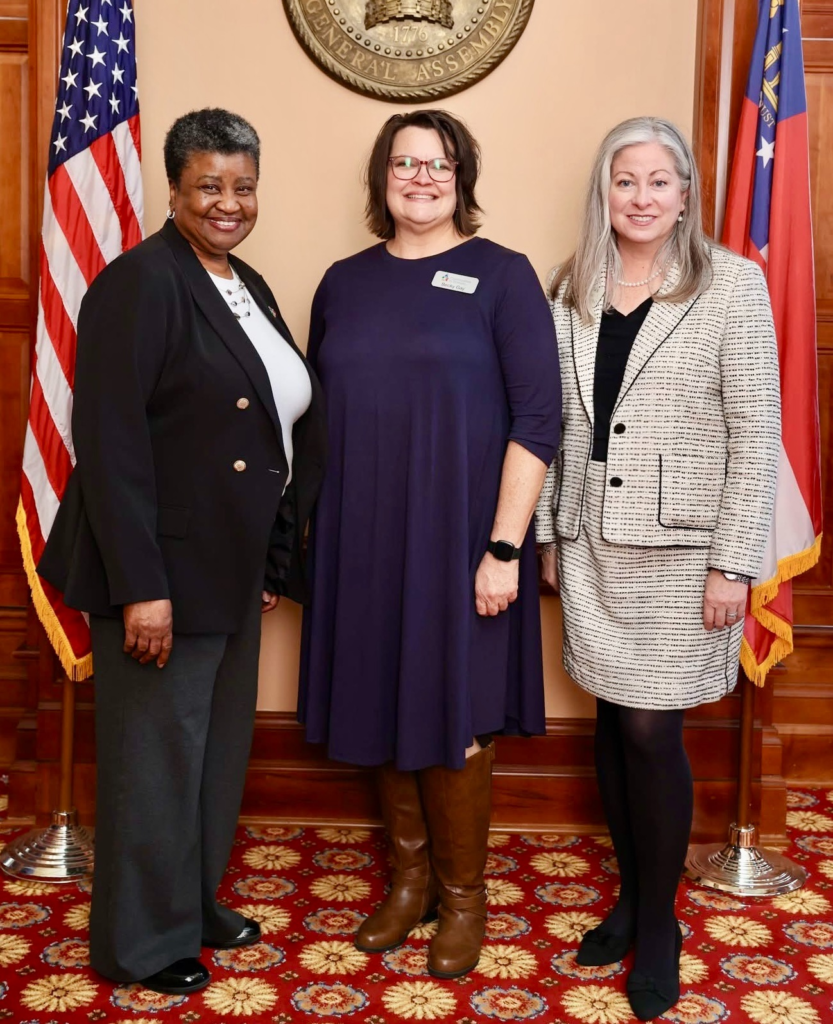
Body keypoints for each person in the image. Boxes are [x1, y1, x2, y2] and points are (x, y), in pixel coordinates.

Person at [37, 108, 327, 995]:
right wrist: (142, 591)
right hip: (160, 569)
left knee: (211, 754)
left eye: (242, 185)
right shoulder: (138, 282)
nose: (228, 203)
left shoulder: (246, 281)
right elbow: (113, 446)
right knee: (155, 761)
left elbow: (271, 425)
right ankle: (139, 943)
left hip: (231, 567)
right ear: (172, 188)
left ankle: (192, 904)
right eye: (208, 185)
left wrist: (272, 558)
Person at [298, 110, 560, 978]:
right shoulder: (342, 282)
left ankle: (461, 898)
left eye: (439, 164)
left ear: (462, 178)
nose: (421, 177)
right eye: (404, 163)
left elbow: (538, 420)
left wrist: (504, 547)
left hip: (462, 538)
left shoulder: (502, 277)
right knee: (378, 695)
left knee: (458, 711)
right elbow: (315, 420)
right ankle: (407, 885)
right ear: (380, 178)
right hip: (360, 535)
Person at [535, 116, 780, 1021]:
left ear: (684, 193)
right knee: (609, 718)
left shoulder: (730, 286)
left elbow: (757, 434)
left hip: (684, 553)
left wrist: (734, 563)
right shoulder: (571, 286)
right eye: (623, 181)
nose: (640, 197)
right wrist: (549, 533)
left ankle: (662, 923)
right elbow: (557, 422)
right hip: (590, 539)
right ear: (603, 190)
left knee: (648, 730)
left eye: (657, 181)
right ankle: (630, 901)